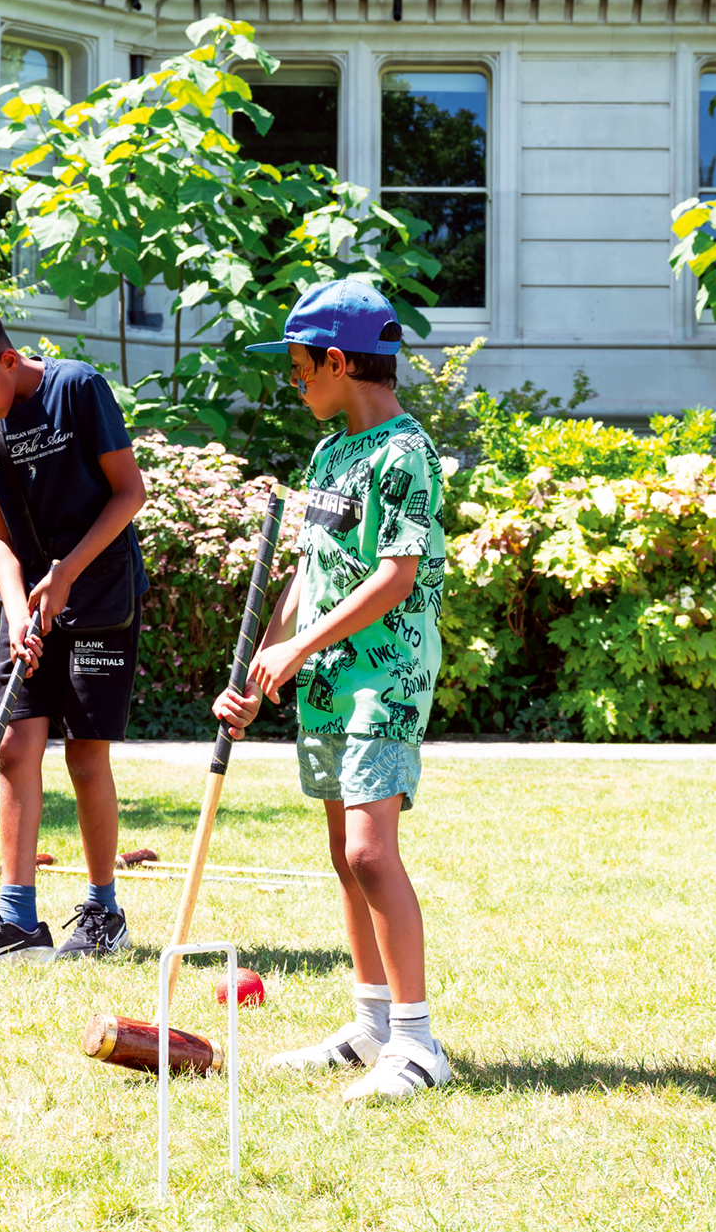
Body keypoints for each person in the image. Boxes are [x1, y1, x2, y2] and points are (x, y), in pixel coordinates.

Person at [212, 279, 451, 1102]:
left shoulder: (404, 452)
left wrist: (301, 645)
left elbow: (395, 575)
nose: (294, 381)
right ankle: (372, 1021)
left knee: (368, 850)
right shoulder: (329, 453)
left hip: (384, 671)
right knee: (340, 855)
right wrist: (265, 661)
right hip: (323, 675)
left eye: (299, 366)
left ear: (339, 360)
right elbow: (311, 570)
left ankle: (418, 1044)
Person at [0, 305, 148, 964]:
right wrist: (18, 608)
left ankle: (104, 911)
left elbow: (129, 493)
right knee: (17, 747)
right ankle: (18, 918)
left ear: (9, 361)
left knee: (84, 755)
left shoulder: (77, 388)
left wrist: (66, 572)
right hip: (28, 603)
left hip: (98, 592)